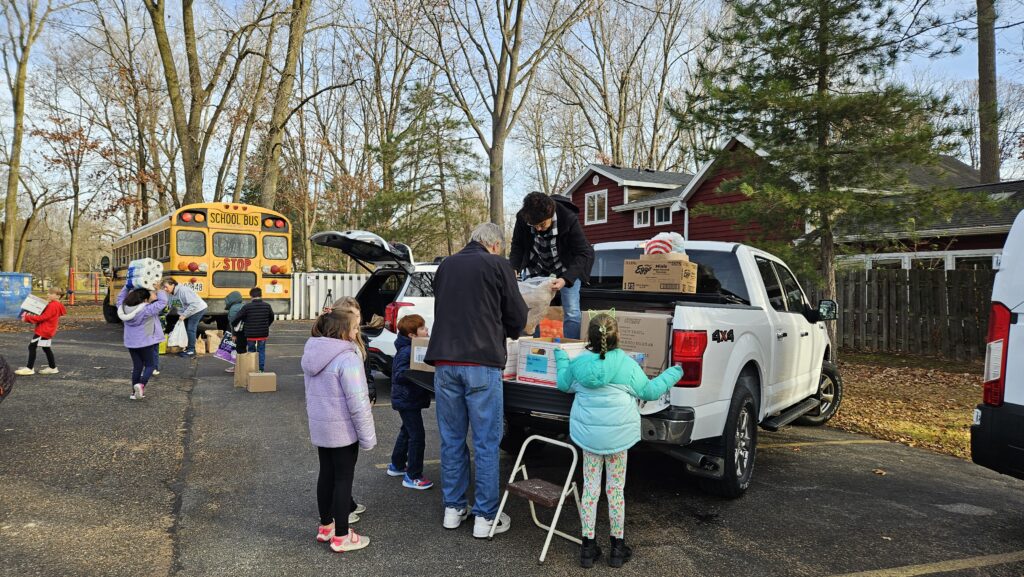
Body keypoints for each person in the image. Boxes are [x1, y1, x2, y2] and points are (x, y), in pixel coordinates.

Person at [424, 222, 528, 538]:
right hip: (482, 362)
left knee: (452, 439)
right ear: (494, 245)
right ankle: (485, 516)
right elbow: (518, 315)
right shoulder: (498, 265)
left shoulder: (446, 266)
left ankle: (453, 509)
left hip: (445, 362)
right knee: (485, 442)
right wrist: (510, 331)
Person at [554, 313, 682, 568]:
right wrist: (674, 372)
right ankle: (617, 548)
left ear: (588, 338)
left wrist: (560, 358)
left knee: (590, 490)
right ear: (617, 337)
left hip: (589, 438)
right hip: (618, 438)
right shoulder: (627, 365)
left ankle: (588, 549)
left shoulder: (578, 364)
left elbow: (562, 384)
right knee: (615, 491)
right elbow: (651, 391)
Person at [302, 307, 376, 553]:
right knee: (344, 479)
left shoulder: (313, 352)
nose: (358, 332)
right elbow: (358, 401)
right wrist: (368, 437)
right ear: (344, 331)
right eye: (355, 327)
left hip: (321, 427)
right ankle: (342, 536)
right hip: (343, 430)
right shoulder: (347, 357)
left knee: (326, 475)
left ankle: (326, 527)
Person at [509, 191, 595, 340]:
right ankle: (532, 347)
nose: (538, 229)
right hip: (536, 266)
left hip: (566, 269)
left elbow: (584, 253)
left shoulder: (568, 219)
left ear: (551, 213)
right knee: (530, 310)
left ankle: (570, 348)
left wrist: (566, 279)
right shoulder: (522, 218)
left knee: (572, 311)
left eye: (542, 224)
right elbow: (517, 245)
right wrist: (513, 268)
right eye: (534, 226)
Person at [386, 314, 433, 490]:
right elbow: (398, 375)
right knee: (417, 436)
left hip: (409, 399)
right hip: (407, 400)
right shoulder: (407, 351)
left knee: (407, 431)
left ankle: (397, 465)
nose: (427, 330)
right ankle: (413, 476)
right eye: (422, 328)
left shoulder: (411, 347)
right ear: (412, 335)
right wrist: (417, 373)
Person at [117, 285, 169, 401]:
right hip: (146, 342)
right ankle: (141, 385)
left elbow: (120, 298)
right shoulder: (146, 310)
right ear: (144, 300)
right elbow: (163, 302)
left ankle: (133, 393)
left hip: (131, 342)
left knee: (137, 367)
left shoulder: (123, 308)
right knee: (150, 365)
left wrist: (126, 287)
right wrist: (159, 289)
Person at [15, 287, 67, 376]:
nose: (48, 294)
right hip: (48, 330)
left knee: (32, 347)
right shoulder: (56, 304)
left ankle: (29, 368)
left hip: (43, 330)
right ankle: (53, 367)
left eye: (51, 293)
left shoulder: (52, 305)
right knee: (46, 348)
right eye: (48, 293)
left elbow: (42, 318)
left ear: (58, 296)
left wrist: (27, 317)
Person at [161, 279, 208, 358]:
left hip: (197, 309)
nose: (165, 289)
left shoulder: (183, 290)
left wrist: (184, 315)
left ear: (172, 285)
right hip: (187, 311)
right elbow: (169, 306)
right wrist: (163, 314)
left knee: (190, 329)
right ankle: (187, 348)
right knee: (185, 329)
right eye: (163, 287)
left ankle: (191, 351)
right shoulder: (170, 293)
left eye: (166, 287)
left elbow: (195, 304)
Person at [224, 290, 245, 374]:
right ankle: (245, 366)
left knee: (238, 350)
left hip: (239, 333)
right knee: (245, 350)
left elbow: (232, 323)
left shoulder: (233, 309)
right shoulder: (244, 305)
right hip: (247, 332)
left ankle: (237, 368)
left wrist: (233, 335)